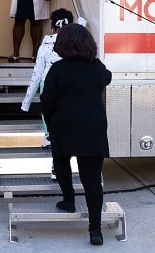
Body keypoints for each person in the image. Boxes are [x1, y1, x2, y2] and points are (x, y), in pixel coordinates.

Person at [41, 24, 112, 246]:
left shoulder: (58, 69)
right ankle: (95, 230)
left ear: (63, 44)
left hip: (64, 124)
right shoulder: (97, 67)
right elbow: (107, 78)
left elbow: (46, 101)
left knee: (61, 162)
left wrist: (51, 123)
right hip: (93, 126)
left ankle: (68, 200)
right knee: (92, 180)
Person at [21, 8, 74, 153]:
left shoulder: (44, 47)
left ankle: (49, 136)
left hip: (47, 82)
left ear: (52, 27)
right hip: (68, 83)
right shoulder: (75, 45)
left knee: (47, 110)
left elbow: (36, 75)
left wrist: (26, 103)